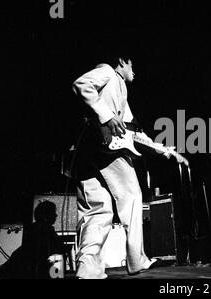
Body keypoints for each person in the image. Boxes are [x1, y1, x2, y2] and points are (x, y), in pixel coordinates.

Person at [71, 53, 162, 279]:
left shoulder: (119, 88)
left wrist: (161, 149)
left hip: (87, 154)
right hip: (106, 151)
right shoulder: (108, 73)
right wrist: (107, 116)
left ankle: (88, 269)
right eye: (132, 65)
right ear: (122, 61)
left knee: (98, 210)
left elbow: (132, 130)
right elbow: (81, 84)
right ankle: (136, 259)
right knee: (131, 197)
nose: (134, 71)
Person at [0, 201, 65, 279]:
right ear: (46, 215)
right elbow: (55, 270)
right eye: (53, 212)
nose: (56, 215)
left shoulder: (33, 230)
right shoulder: (47, 234)